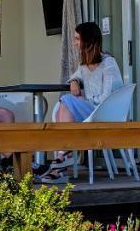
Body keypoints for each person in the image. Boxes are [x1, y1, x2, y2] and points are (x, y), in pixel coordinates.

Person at [41, 21, 123, 184]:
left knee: (66, 101)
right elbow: (75, 75)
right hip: (91, 111)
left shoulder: (108, 63)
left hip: (104, 112)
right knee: (62, 106)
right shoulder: (85, 65)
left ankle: (63, 158)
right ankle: (63, 159)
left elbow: (106, 97)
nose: (75, 43)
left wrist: (84, 99)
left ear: (88, 40)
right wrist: (74, 81)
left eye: (78, 39)